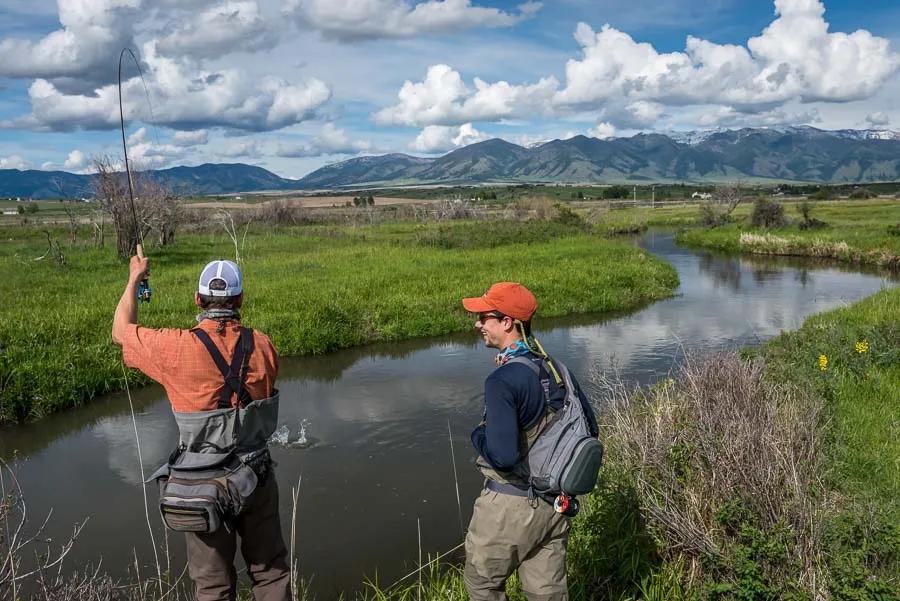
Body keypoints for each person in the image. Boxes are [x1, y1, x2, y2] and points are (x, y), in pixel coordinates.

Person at [112, 256, 290, 601]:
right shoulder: (265, 346)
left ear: (198, 299)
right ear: (239, 300)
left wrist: (135, 278)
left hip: (201, 487)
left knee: (213, 586)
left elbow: (121, 331)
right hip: (256, 477)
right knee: (270, 572)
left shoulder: (175, 347)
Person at [461, 282, 599, 601]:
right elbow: (590, 426)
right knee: (547, 591)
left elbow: (504, 456)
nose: (478, 323)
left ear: (507, 321)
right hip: (556, 501)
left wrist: (477, 434)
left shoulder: (502, 380)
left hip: (511, 505)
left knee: (482, 584)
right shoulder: (555, 367)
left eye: (484, 316)